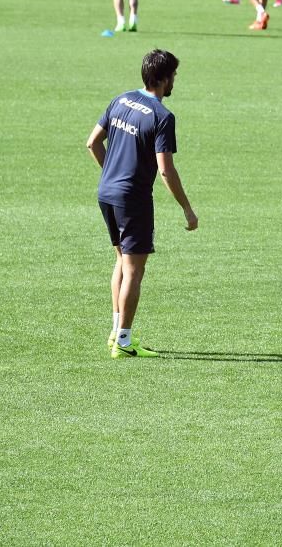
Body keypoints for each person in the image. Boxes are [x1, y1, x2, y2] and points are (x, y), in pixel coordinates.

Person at [86, 49, 198, 358]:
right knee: (135, 269)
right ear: (162, 79)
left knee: (122, 261)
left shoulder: (120, 100)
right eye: (173, 75)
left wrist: (111, 172)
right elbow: (165, 168)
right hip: (132, 197)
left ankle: (115, 331)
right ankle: (124, 341)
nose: (174, 80)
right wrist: (187, 208)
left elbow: (92, 142)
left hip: (106, 192)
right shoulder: (162, 117)